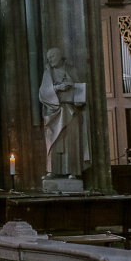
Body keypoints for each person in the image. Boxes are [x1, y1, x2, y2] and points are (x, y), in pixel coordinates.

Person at [40, 47, 90, 179]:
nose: (49, 60)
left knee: (71, 142)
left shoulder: (71, 70)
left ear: (60, 56)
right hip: (53, 112)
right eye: (48, 57)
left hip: (70, 111)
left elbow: (80, 88)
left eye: (52, 56)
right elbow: (43, 93)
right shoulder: (48, 73)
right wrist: (57, 87)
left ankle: (72, 171)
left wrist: (71, 85)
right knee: (53, 142)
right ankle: (52, 170)